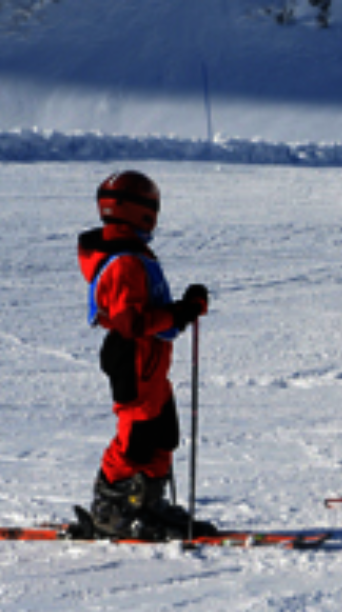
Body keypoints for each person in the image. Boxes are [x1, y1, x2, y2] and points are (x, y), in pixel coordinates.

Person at [78, 170, 216, 540]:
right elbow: (130, 321)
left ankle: (148, 504)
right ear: (140, 211)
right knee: (135, 438)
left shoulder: (133, 253)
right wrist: (182, 312)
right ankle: (111, 506)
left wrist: (183, 308)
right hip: (134, 357)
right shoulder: (124, 261)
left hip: (151, 360)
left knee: (162, 434)